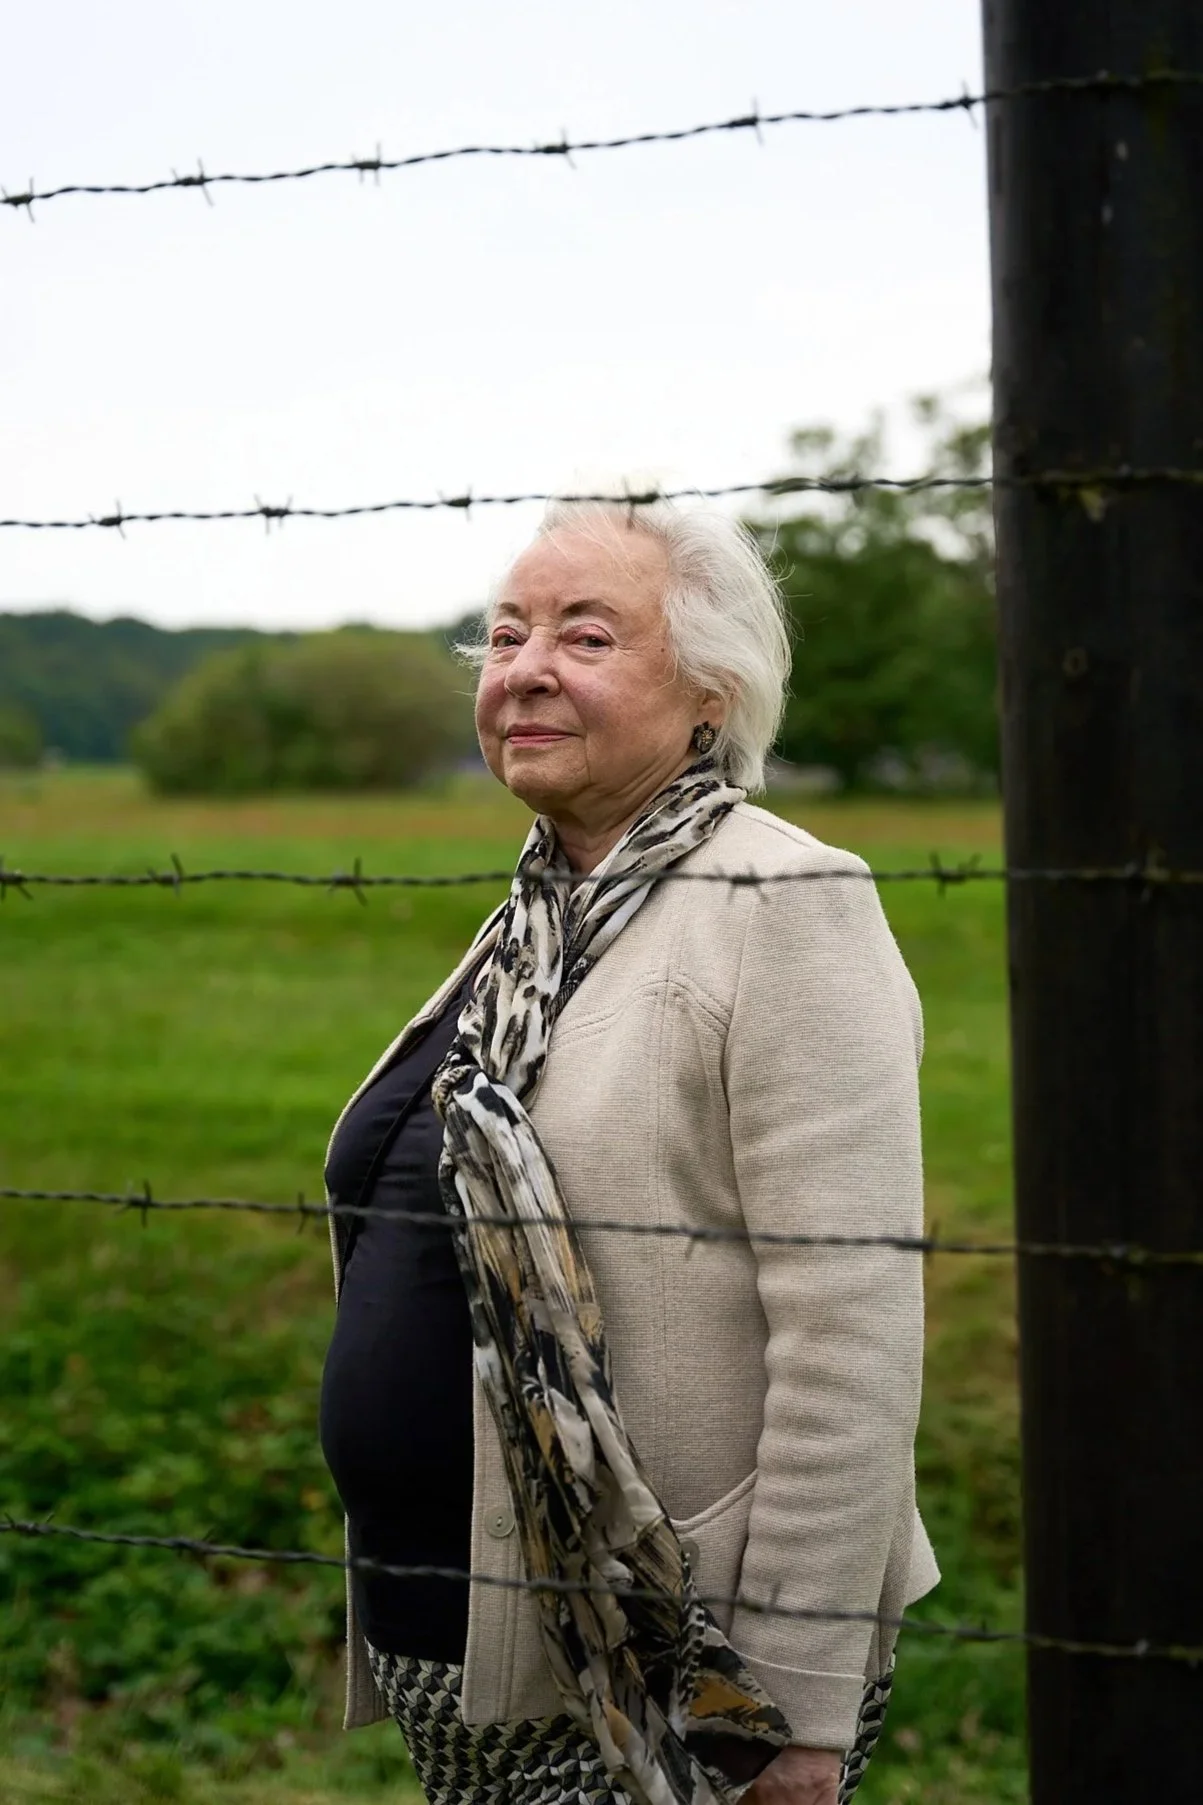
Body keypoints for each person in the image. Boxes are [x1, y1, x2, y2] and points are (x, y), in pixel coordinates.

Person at [319, 499, 938, 1805]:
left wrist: (798, 1701)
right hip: (474, 1635)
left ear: (710, 693)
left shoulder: (780, 903)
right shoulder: (543, 916)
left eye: (585, 637)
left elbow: (851, 1321)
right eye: (503, 636)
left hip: (676, 1653)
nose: (525, 669)